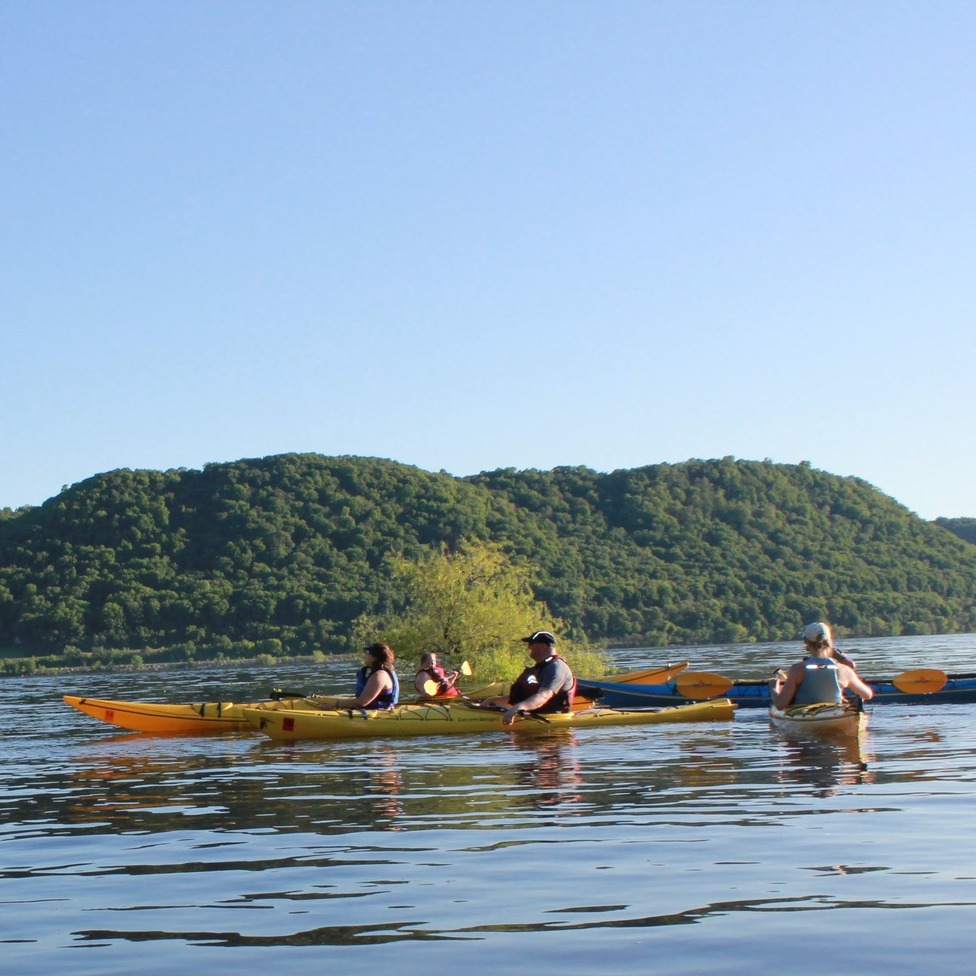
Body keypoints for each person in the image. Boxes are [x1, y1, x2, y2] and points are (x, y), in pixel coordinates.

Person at [769, 621, 873, 708]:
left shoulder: (797, 669)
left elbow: (780, 705)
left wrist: (774, 688)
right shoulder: (844, 670)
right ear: (829, 642)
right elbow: (867, 695)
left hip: (805, 717)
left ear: (806, 642)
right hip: (834, 714)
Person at [499, 630, 576, 726]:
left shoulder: (557, 667)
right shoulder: (541, 667)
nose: (528, 647)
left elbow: (543, 696)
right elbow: (526, 696)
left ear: (543, 646)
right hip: (532, 714)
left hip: (551, 719)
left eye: (531, 643)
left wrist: (517, 708)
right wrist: (490, 701)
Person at [334, 642, 400, 710]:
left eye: (368, 653)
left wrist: (336, 704)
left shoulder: (379, 676)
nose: (365, 655)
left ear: (375, 658)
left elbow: (362, 702)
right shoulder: (381, 672)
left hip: (380, 711)